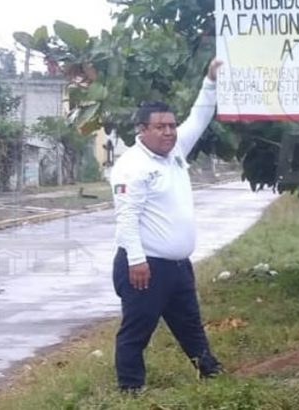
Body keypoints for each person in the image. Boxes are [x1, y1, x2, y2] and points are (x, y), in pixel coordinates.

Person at [109, 59, 223, 392]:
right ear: (141, 130)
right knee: (137, 330)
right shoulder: (132, 166)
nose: (169, 132)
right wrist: (135, 260)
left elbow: (200, 117)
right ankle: (130, 390)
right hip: (145, 267)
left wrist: (210, 80)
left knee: (189, 324)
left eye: (172, 125)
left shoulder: (175, 152)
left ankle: (210, 372)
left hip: (177, 267)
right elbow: (127, 217)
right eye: (160, 127)